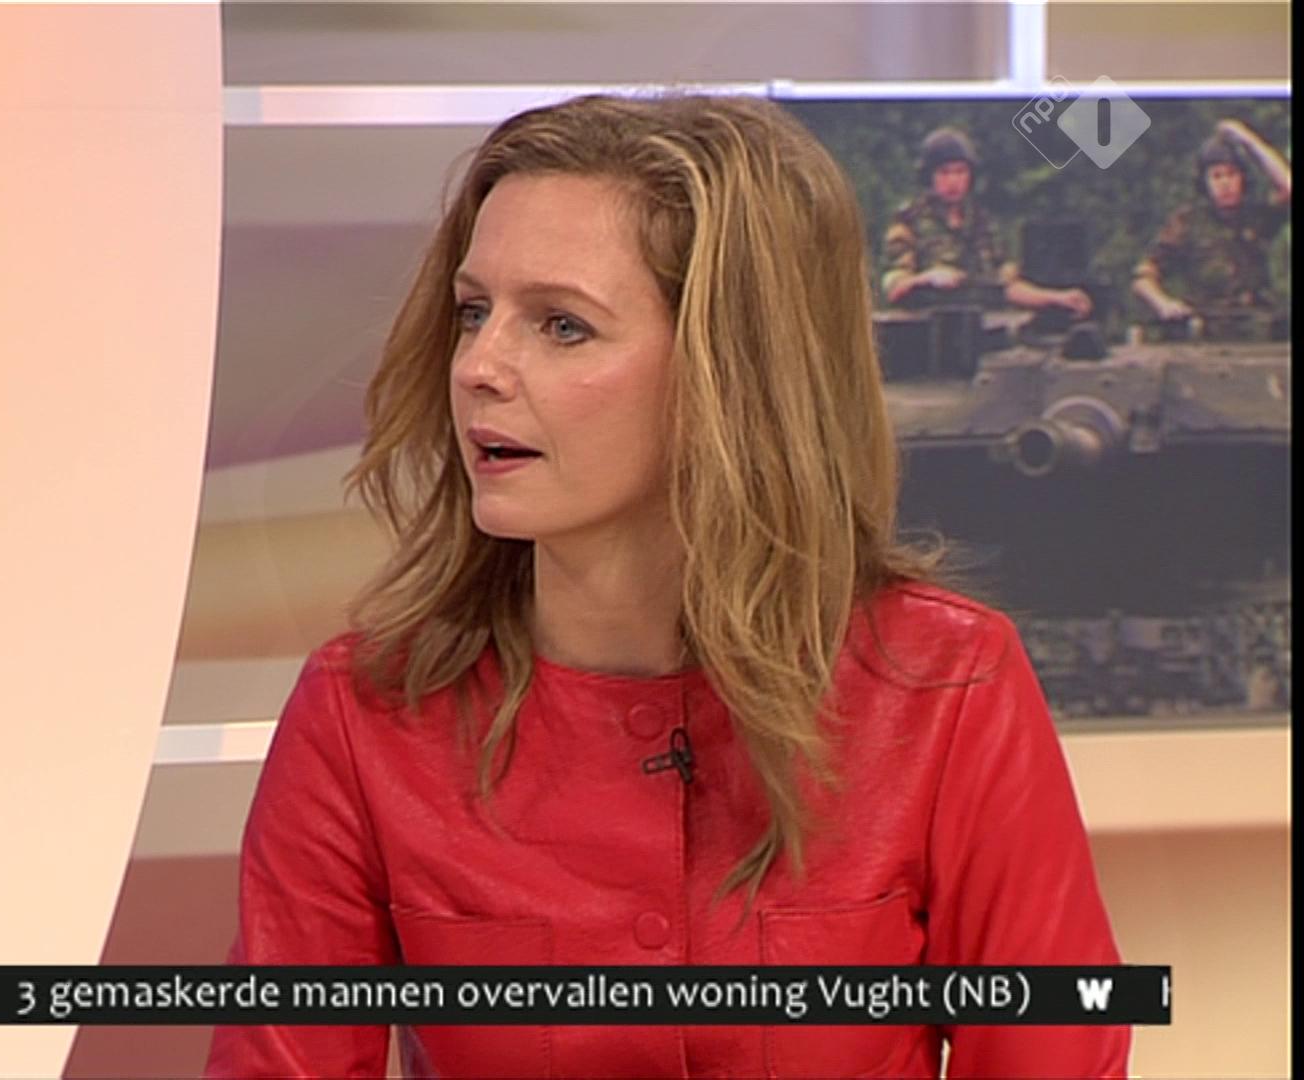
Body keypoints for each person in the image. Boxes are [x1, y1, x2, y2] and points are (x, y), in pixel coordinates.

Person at [205, 93, 1127, 1078]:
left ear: (730, 373)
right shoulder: (366, 716)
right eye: (475, 312)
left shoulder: (944, 686)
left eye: (562, 325)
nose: (478, 366)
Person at [882, 127, 1093, 318]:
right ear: (930, 177)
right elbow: (894, 288)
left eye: (960, 171)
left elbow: (1005, 287)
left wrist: (1055, 298)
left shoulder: (980, 222)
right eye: (944, 172)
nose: (953, 181)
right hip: (925, 328)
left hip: (981, 325)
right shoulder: (909, 220)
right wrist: (925, 279)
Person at [1132, 118, 1292, 321]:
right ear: (1205, 182)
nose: (1225, 183)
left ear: (1243, 178)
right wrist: (1164, 304)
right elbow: (1144, 277)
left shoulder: (1255, 216)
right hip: (1208, 326)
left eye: (1231, 174)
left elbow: (1288, 188)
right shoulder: (1188, 222)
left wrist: (1249, 142)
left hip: (1258, 322)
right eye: (1216, 176)